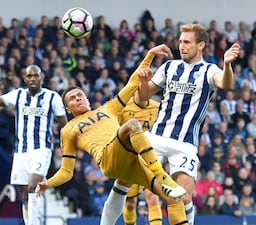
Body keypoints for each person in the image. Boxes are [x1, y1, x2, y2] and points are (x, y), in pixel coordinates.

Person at [35, 44, 188, 225]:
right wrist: (48, 183)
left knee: (175, 199)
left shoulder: (108, 108)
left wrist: (150, 55)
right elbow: (67, 172)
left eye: (80, 95)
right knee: (132, 125)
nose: (78, 98)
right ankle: (161, 175)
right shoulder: (68, 130)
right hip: (108, 159)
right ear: (68, 109)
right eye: (72, 98)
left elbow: (133, 83)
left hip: (130, 160)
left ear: (87, 98)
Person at [135, 23, 240, 225]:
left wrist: (227, 65)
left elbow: (226, 84)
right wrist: (142, 81)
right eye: (180, 41)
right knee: (149, 194)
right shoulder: (169, 67)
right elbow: (143, 96)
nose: (181, 46)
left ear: (200, 45)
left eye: (186, 42)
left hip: (184, 143)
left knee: (183, 198)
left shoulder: (209, 70)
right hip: (156, 137)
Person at [0, 64, 68, 225]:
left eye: (36, 75)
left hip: (42, 149)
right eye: (29, 76)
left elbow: (64, 124)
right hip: (21, 152)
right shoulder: (18, 95)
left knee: (33, 186)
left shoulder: (52, 97)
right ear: (25, 79)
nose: (32, 79)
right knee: (24, 195)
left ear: (41, 77)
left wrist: (66, 147)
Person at [119, 97, 163, 225]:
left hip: (149, 158)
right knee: (130, 202)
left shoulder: (158, 107)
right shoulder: (123, 108)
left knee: (153, 198)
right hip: (129, 160)